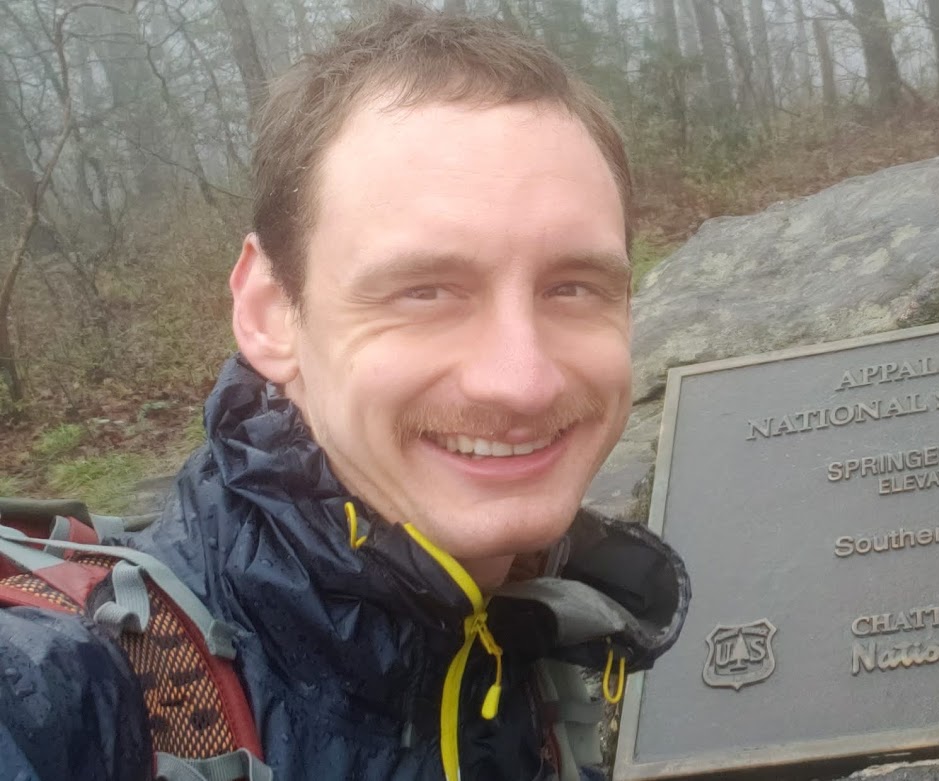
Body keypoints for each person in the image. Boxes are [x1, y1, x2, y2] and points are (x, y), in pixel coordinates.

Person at [0, 5, 688, 780]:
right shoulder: (68, 690)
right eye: (425, 291)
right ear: (269, 312)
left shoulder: (524, 631)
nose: (522, 380)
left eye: (573, 287)